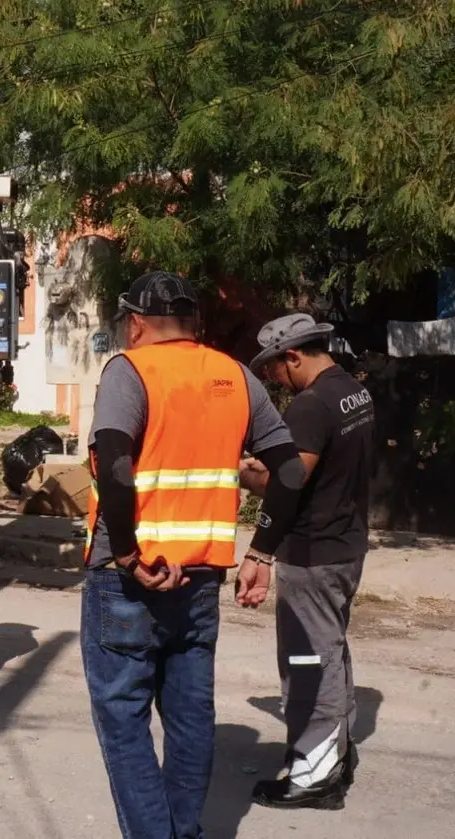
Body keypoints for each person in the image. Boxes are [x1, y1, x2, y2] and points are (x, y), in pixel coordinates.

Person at [82, 271, 308, 839]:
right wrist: (261, 550)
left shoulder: (128, 370)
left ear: (136, 322)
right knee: (190, 720)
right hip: (202, 576)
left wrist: (130, 556)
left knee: (124, 721)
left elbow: (114, 464)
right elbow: (288, 470)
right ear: (194, 323)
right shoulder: (233, 375)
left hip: (131, 580)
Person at [239, 313, 375, 810]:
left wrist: (258, 551)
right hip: (346, 545)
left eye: (274, 368)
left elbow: (290, 485)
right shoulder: (353, 392)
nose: (275, 378)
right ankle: (336, 750)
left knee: (307, 660)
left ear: (293, 356)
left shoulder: (311, 406)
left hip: (313, 553)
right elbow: (311, 470)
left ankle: (312, 772)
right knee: (332, 651)